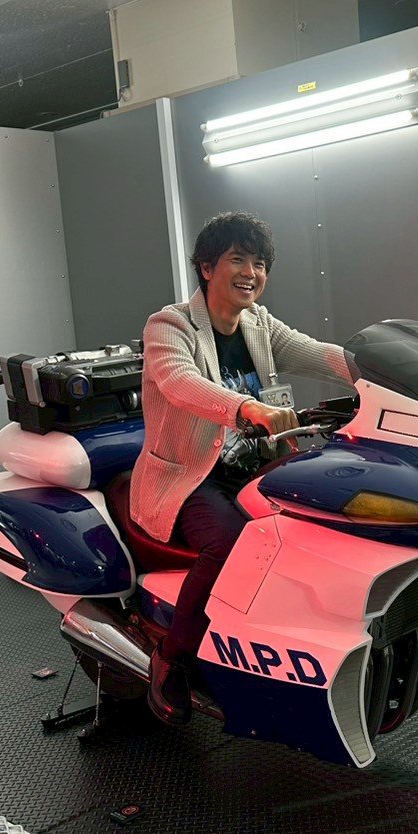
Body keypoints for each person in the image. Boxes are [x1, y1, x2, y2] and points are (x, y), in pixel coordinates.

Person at [129, 211, 353, 721]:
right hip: (190, 475)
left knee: (325, 518)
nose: (251, 272)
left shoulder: (258, 324)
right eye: (238, 260)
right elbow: (180, 382)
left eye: (260, 263)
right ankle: (172, 657)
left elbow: (320, 355)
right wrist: (247, 407)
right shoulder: (169, 326)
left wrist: (383, 372)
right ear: (207, 267)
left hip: (255, 465)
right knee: (230, 544)